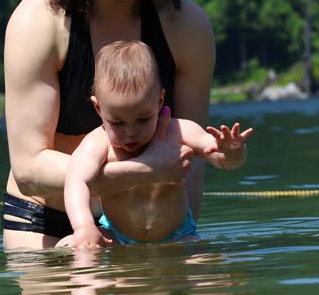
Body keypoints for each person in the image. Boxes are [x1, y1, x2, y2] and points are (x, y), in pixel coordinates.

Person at [2, 0, 216, 250]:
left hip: (148, 224)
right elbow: (30, 168)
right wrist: (143, 171)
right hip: (47, 219)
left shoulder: (188, 28)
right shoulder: (39, 22)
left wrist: (170, 244)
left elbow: (190, 171)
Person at [56, 41, 252, 247]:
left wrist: (232, 152)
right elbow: (76, 181)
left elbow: (224, 161)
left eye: (143, 119)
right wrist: (84, 226)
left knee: (204, 267)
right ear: (99, 108)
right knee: (69, 246)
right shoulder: (98, 142)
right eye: (118, 122)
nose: (131, 132)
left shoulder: (179, 132)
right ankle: (91, 277)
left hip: (178, 235)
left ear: (159, 102)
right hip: (116, 234)